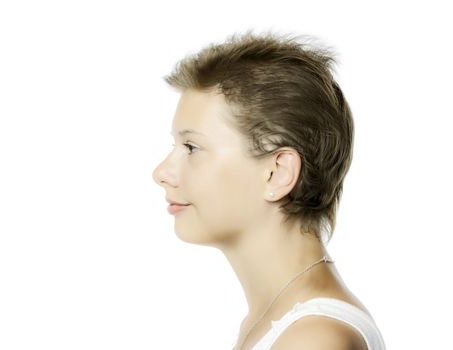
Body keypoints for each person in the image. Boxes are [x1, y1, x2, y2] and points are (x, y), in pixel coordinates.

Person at [152, 30, 386, 350]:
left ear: (277, 173)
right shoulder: (274, 322)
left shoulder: (313, 339)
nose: (161, 173)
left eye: (191, 147)